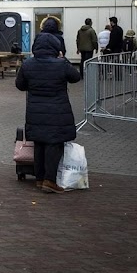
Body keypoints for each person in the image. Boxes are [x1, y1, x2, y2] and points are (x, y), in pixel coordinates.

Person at [15, 24, 81, 194]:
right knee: (54, 144)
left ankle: (39, 178)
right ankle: (49, 181)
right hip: (57, 111)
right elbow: (75, 77)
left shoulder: (28, 64)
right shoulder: (61, 64)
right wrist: (63, 59)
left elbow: (20, 85)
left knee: (39, 144)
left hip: (35, 111)